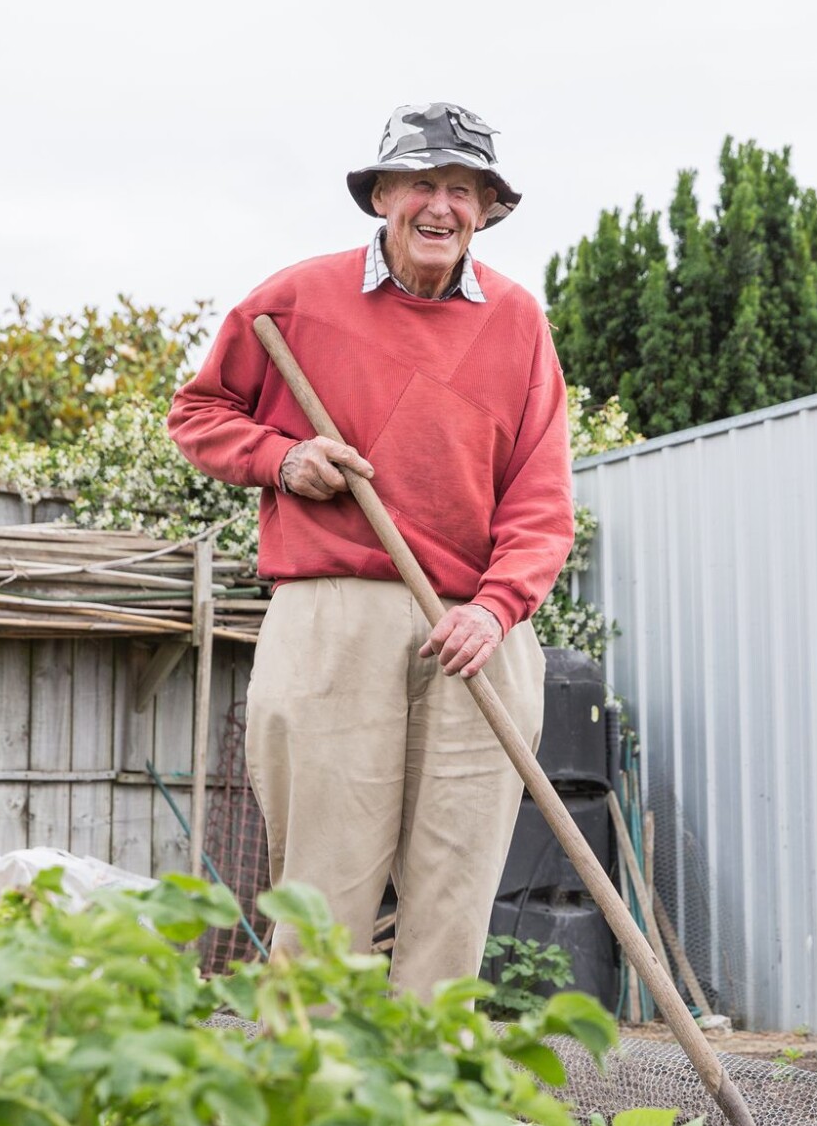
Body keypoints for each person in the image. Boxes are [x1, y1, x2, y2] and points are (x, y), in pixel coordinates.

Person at [167, 102, 574, 999]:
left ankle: (425, 1117)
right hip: (335, 613)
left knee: (455, 894)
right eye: (422, 183)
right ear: (382, 194)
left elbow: (542, 499)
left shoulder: (516, 321)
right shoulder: (295, 300)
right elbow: (197, 414)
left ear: (488, 208)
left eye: (462, 189)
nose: (441, 206)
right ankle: (306, 1105)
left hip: (477, 628)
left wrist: (498, 606)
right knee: (325, 891)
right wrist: (285, 458)